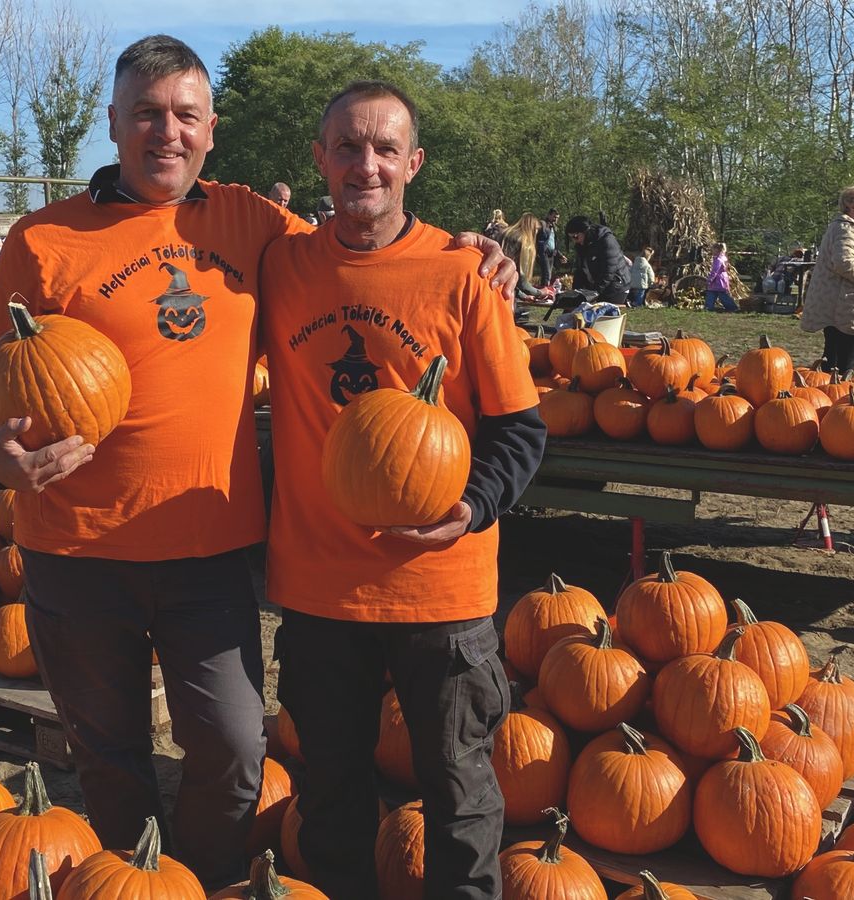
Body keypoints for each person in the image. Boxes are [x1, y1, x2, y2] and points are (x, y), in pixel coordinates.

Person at [0, 34, 516, 890]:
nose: (166, 133)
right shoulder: (43, 241)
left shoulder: (254, 224)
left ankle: (209, 878)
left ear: (211, 129)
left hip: (210, 552)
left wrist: (482, 254)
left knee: (233, 747)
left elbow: (365, 241)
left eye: (185, 114)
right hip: (74, 551)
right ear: (113, 123)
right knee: (109, 759)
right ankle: (135, 881)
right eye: (146, 114)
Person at [260, 80, 546, 900]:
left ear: (413, 163)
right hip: (320, 589)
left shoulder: (464, 274)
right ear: (320, 158)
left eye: (385, 148)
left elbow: (519, 428)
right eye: (347, 146)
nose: (366, 165)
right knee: (331, 792)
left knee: (459, 794)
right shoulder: (283, 267)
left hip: (443, 591)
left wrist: (470, 507)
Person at [800, 185, 854, 375]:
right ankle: (839, 393)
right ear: (852, 204)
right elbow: (844, 262)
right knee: (844, 354)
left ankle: (833, 390)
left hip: (839, 303)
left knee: (834, 350)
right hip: (843, 304)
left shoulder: (844, 227)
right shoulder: (847, 229)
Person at [565, 214, 630, 304]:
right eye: (571, 237)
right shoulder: (581, 246)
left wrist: (595, 292)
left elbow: (609, 271)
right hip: (597, 287)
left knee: (596, 313)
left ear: (585, 231)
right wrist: (576, 292)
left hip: (616, 287)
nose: (574, 241)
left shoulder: (607, 241)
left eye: (575, 237)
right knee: (572, 311)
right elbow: (580, 271)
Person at [500, 212, 543, 300]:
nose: (537, 233)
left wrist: (523, 296)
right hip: (503, 294)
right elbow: (522, 282)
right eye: (536, 229)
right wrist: (540, 292)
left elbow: (509, 277)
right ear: (532, 229)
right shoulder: (524, 243)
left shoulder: (504, 234)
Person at [536, 208, 567, 286]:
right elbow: (536, 238)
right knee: (546, 274)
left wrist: (560, 255)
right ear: (549, 215)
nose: (555, 219)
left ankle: (544, 290)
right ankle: (544, 292)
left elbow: (554, 244)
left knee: (548, 275)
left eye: (557, 218)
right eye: (554, 217)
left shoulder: (554, 227)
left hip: (551, 254)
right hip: (543, 253)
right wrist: (538, 251)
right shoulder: (542, 224)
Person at [704, 243, 739, 312]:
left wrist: (709, 280)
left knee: (714, 293)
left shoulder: (718, 259)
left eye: (713, 249)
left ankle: (709, 307)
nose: (712, 251)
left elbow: (714, 271)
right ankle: (732, 307)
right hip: (722, 278)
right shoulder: (723, 257)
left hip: (718, 280)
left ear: (717, 250)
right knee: (721, 294)